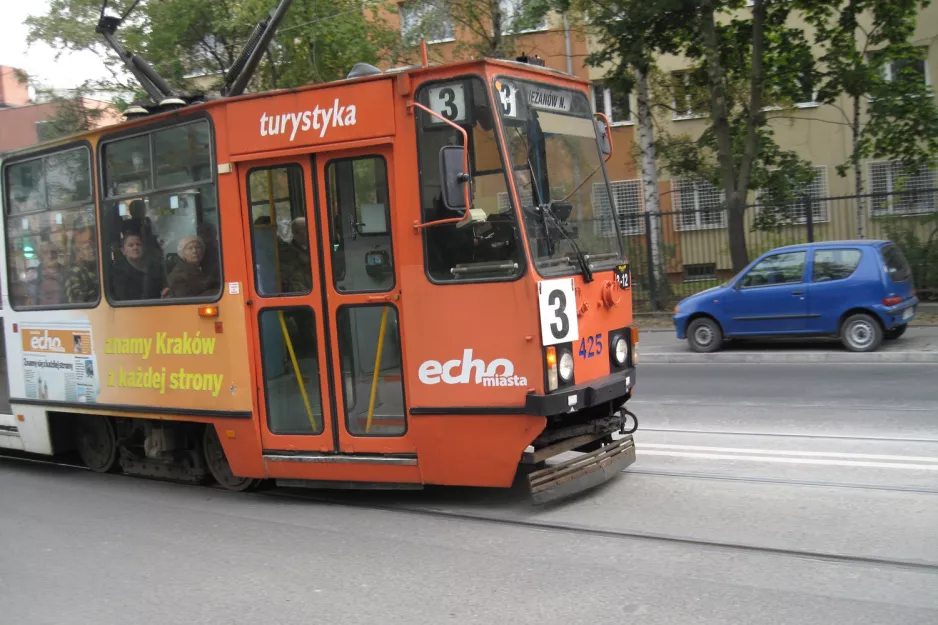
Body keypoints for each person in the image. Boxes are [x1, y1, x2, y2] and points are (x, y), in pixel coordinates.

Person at [110, 229, 167, 301]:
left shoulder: (154, 268)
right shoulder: (119, 273)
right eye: (131, 245)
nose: (135, 248)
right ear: (123, 251)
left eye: (138, 244)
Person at [65, 226, 100, 304]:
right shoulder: (74, 273)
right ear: (78, 252)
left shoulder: (95, 268)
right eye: (87, 248)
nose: (92, 251)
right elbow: (76, 300)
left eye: (93, 247)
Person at [277, 217, 312, 293]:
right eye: (306, 229)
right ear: (296, 233)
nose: (311, 231)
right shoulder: (288, 254)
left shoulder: (315, 248)